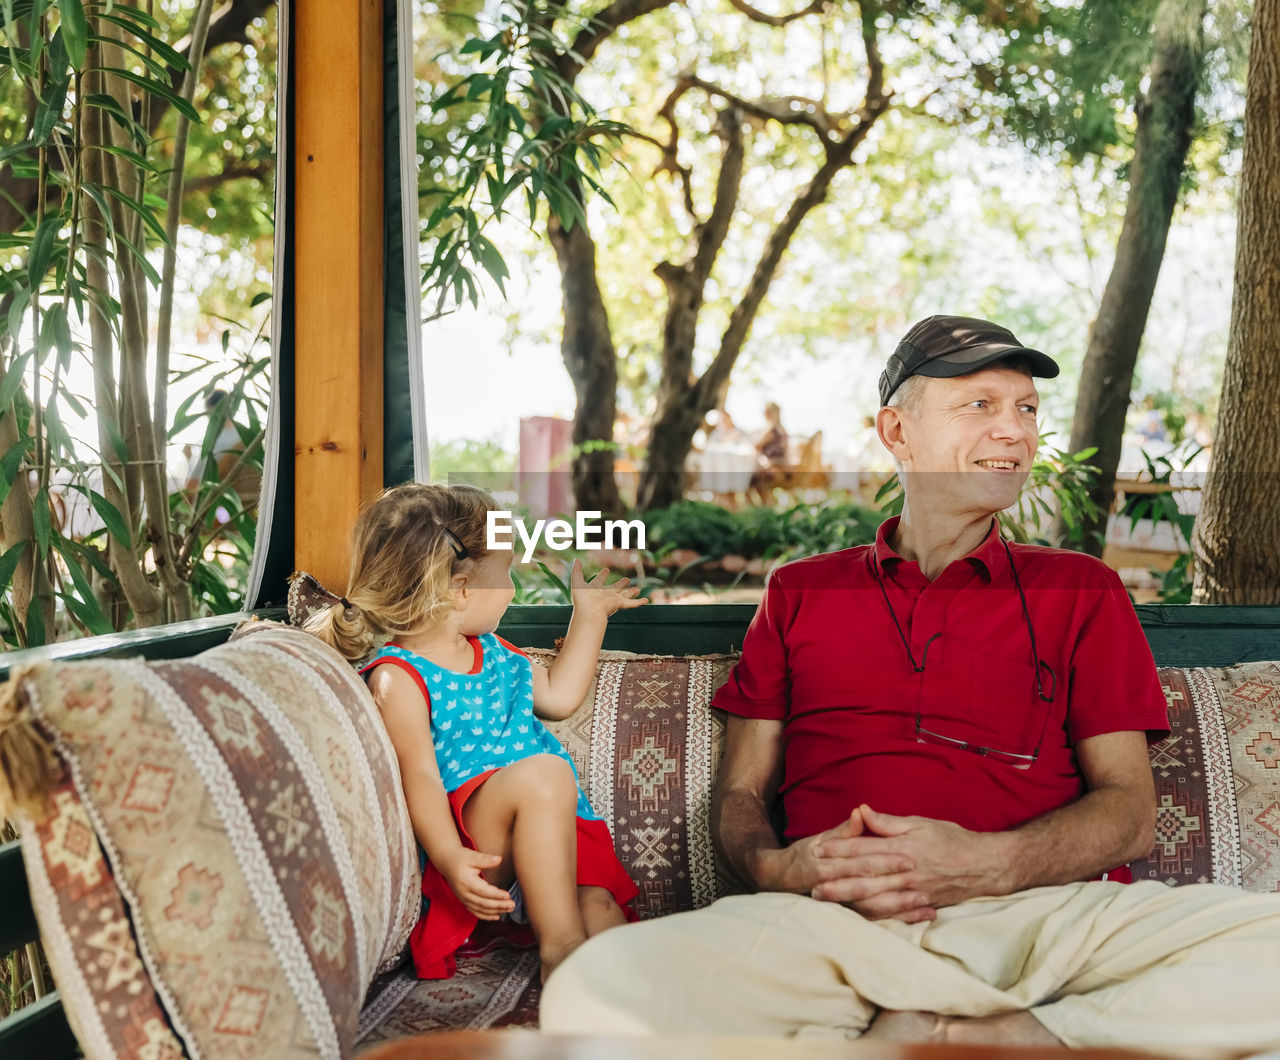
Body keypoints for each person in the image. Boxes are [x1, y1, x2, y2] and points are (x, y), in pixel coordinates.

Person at [540, 315, 1280, 1056]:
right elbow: (740, 794)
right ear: (897, 431)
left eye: (1026, 409)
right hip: (836, 928)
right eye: (981, 405)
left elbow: (1129, 812)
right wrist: (779, 867)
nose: (1016, 432)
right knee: (598, 985)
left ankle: (983, 1036)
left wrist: (987, 863)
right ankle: (925, 1035)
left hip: (1037, 920)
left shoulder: (1079, 588)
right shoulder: (800, 592)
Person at [306, 482, 644, 982]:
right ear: (461, 590)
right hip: (477, 841)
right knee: (547, 774)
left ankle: (626, 1003)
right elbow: (418, 775)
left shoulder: (496, 652)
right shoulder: (398, 676)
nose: (512, 588)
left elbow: (560, 695)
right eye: (505, 574)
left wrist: (589, 616)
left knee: (606, 919)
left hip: (550, 832)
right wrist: (450, 857)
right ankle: (560, 950)